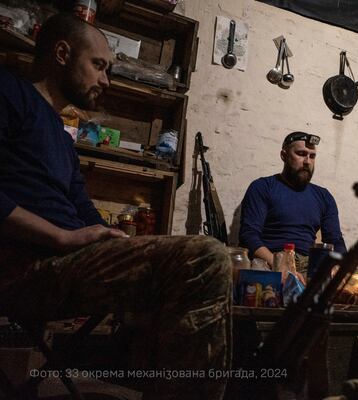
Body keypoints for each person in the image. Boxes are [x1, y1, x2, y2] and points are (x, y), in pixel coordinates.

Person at [0, 13, 231, 399]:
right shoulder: (9, 92)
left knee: (195, 261)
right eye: (99, 66)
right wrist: (61, 237)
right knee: (203, 257)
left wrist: (118, 241)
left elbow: (84, 211)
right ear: (61, 54)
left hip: (64, 264)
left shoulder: (59, 136)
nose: (106, 80)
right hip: (24, 267)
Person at [238, 131, 346, 273]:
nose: (307, 161)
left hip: (309, 264)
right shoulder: (263, 187)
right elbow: (248, 236)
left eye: (312, 156)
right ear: (284, 156)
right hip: (270, 261)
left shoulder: (323, 196)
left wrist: (340, 267)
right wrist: (278, 265)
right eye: (301, 154)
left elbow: (335, 240)